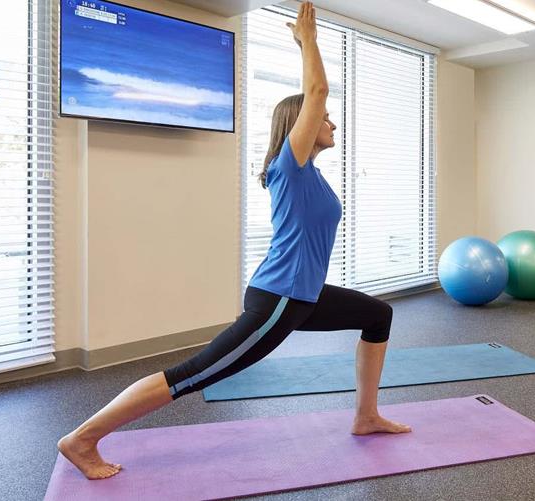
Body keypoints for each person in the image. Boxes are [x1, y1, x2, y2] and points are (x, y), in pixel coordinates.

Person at [57, 2, 411, 480]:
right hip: (280, 300)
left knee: (377, 314)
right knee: (196, 373)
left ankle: (365, 416)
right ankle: (81, 439)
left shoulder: (314, 178)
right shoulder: (293, 166)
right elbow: (317, 89)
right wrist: (308, 39)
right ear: (300, 127)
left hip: (301, 296)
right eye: (324, 118)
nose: (332, 124)